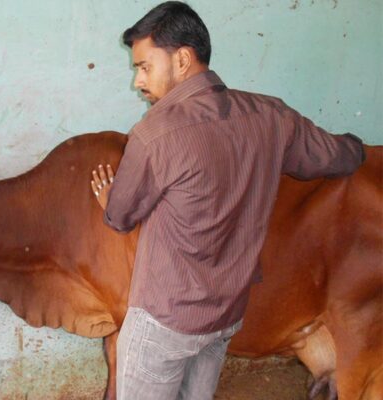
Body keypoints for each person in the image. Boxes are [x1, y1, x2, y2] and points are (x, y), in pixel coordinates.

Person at [89, 2, 365, 399]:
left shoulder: (154, 134)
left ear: (182, 59)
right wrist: (361, 150)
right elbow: (333, 156)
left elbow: (121, 216)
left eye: (144, 66)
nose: (138, 81)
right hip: (225, 316)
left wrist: (107, 199)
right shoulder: (271, 116)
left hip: (165, 322)